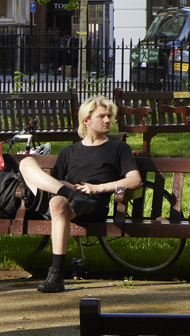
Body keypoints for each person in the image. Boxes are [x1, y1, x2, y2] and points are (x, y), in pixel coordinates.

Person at [19, 96, 142, 294]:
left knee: (58, 203)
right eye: (102, 116)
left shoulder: (118, 148)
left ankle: (55, 274)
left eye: (109, 116)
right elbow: (54, 180)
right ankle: (68, 193)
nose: (108, 120)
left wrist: (98, 188)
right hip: (64, 199)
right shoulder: (68, 151)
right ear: (86, 121)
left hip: (92, 204)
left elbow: (134, 180)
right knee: (26, 163)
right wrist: (64, 185)